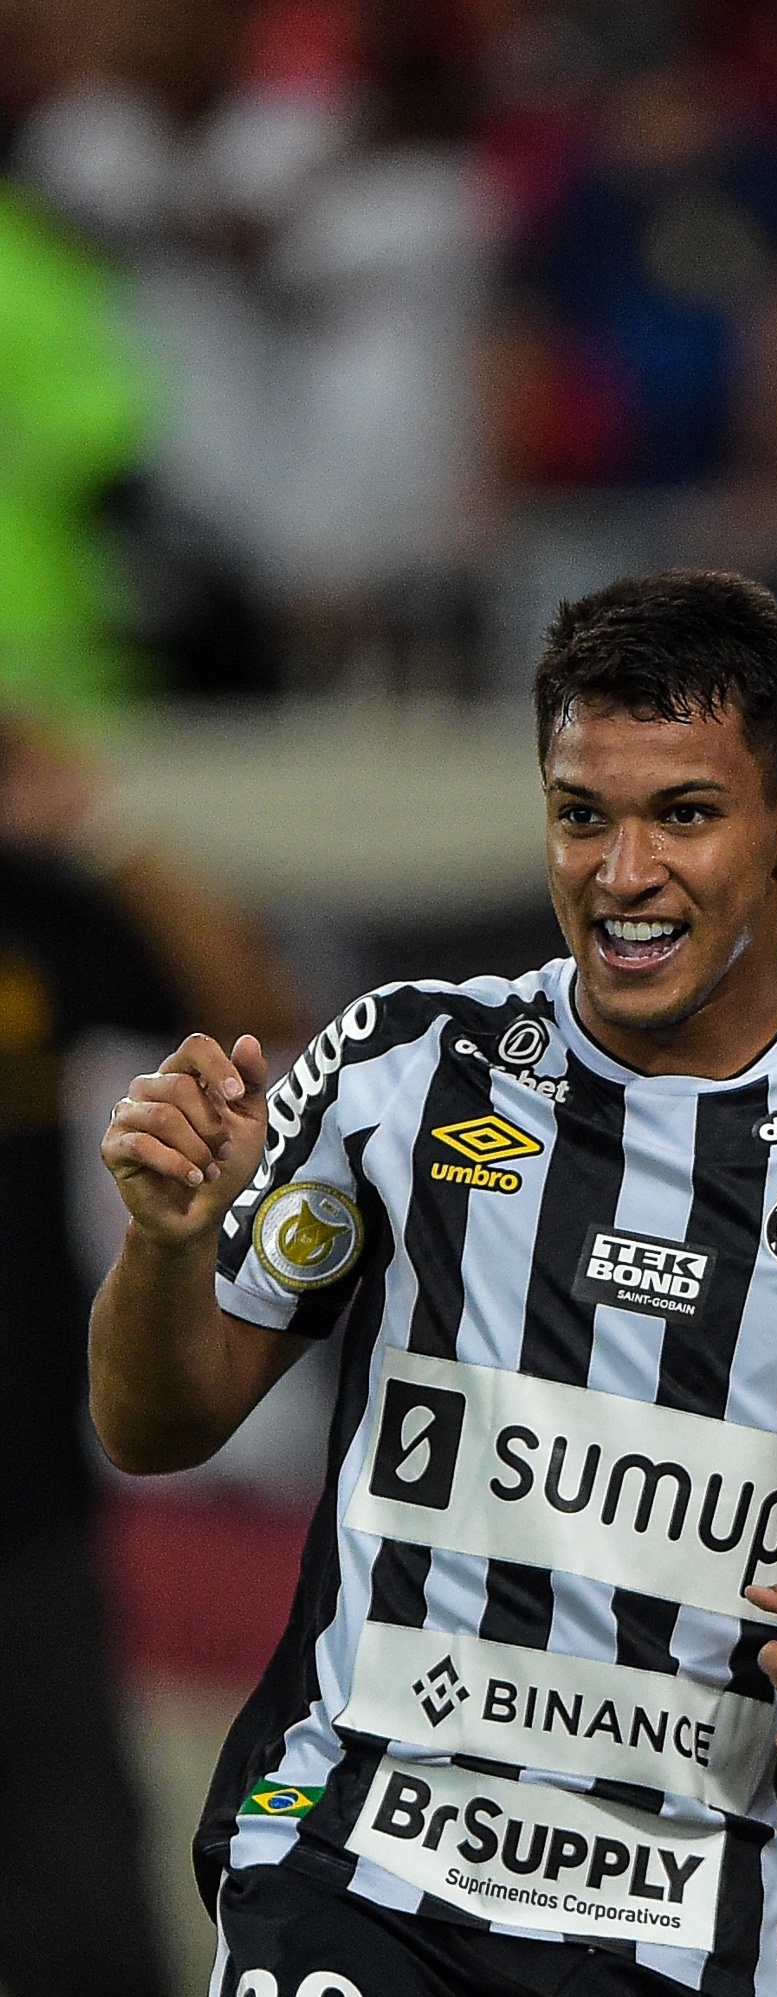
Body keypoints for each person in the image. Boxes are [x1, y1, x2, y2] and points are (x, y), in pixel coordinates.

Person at [92, 569, 777, 1995]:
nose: (623, 874)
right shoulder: (404, 1065)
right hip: (355, 1851)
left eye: (683, 814)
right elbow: (159, 1425)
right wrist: (163, 1242)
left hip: (695, 1905)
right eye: (584, 814)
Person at [0, 715, 301, 1997]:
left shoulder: (30, 909)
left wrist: (98, 827)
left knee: (81, 1908)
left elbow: (255, 1020)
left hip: (16, 1496)